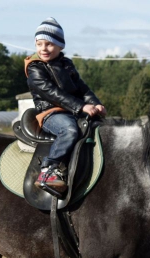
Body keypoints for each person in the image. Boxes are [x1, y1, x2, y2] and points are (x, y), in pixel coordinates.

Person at [25, 17, 107, 196]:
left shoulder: (66, 65)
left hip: (71, 109)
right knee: (69, 130)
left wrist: (95, 104)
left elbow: (82, 88)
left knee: (102, 128)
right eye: (39, 44)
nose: (44, 49)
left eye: (49, 44)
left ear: (60, 46)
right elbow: (52, 92)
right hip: (50, 112)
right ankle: (49, 170)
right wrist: (81, 106)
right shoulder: (35, 68)